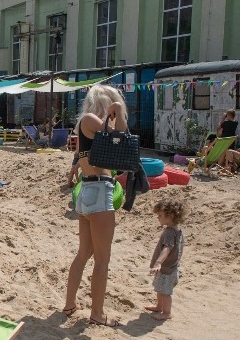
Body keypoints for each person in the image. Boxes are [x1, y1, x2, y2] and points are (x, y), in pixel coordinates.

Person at [62, 84, 129, 327]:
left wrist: (116, 115)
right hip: (100, 190)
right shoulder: (90, 120)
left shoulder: (86, 125)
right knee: (102, 260)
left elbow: (117, 136)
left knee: (84, 254)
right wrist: (119, 110)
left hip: (88, 190)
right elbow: (122, 138)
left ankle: (70, 304)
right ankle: (98, 314)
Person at [144, 197, 185, 322]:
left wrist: (158, 262)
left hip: (167, 269)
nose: (158, 218)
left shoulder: (169, 232)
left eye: (160, 215)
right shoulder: (177, 230)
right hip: (170, 268)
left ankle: (166, 312)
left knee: (166, 292)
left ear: (170, 215)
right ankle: (159, 306)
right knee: (160, 288)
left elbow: (167, 248)